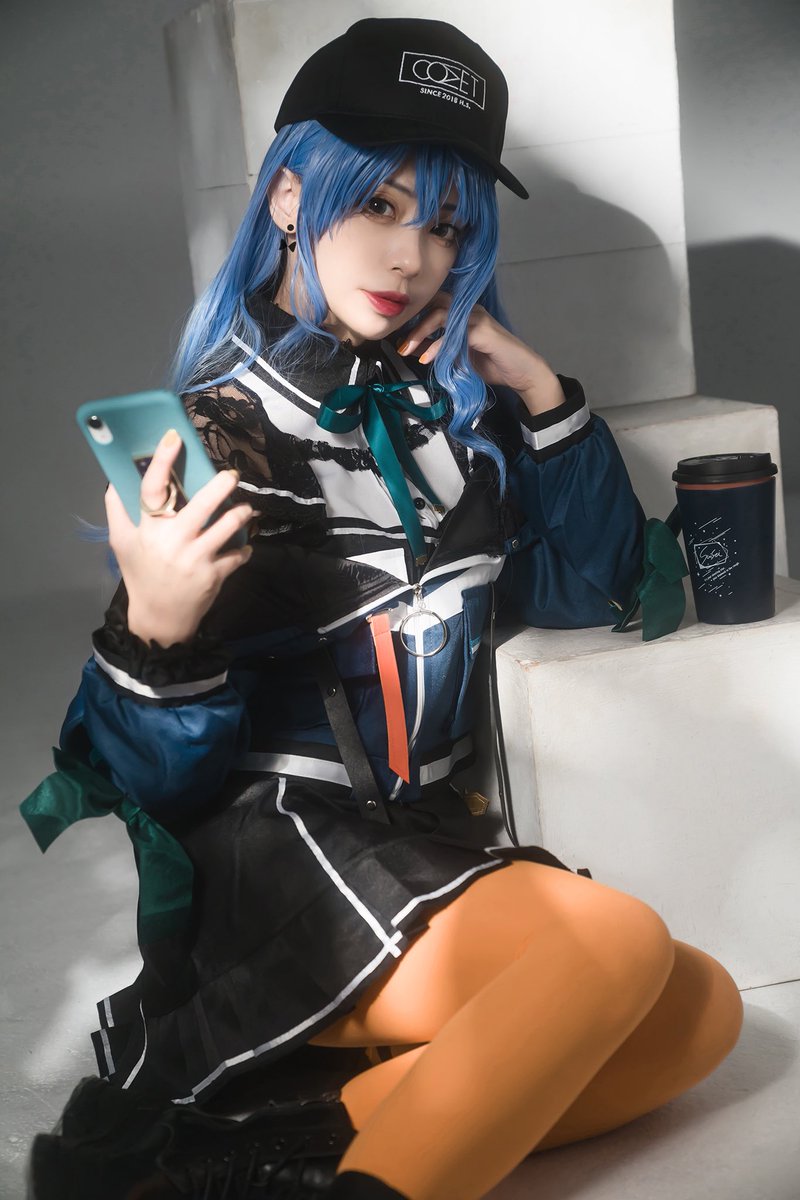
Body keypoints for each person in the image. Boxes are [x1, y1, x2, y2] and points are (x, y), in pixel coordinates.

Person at [24, 17, 744, 1200]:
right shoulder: (218, 438)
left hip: (424, 846)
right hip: (283, 865)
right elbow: (155, 790)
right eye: (378, 204)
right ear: (290, 197)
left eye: (445, 224)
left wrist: (540, 394)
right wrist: (153, 631)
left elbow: (593, 589)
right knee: (615, 945)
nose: (410, 255)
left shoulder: (449, 413)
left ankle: (238, 1151)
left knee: (701, 1013)